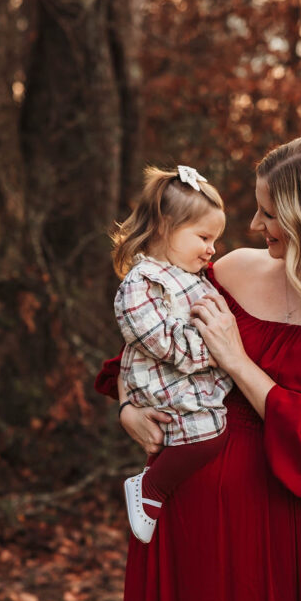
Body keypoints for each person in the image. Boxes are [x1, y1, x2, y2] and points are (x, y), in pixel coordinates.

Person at [99, 135, 301, 601]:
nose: (254, 227)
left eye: (268, 214)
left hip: (290, 529)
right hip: (185, 508)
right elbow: (145, 342)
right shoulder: (232, 269)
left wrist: (237, 360)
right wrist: (128, 406)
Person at [109, 165, 233, 544]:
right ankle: (150, 488)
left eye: (215, 238)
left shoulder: (193, 277)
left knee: (211, 434)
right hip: (163, 383)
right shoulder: (141, 282)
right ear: (164, 227)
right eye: (203, 236)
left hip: (187, 382)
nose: (212, 248)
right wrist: (219, 348)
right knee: (208, 436)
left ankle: (154, 487)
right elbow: (161, 340)